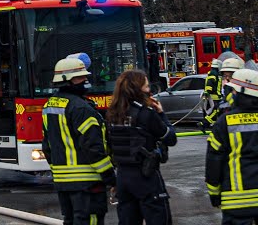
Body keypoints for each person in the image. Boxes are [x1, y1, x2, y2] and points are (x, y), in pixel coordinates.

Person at [43, 56, 116, 225]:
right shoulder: (81, 108)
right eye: (81, 77)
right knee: (90, 220)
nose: (85, 80)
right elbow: (93, 148)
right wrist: (110, 178)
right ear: (68, 80)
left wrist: (58, 172)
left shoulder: (49, 106)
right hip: (88, 182)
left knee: (70, 221)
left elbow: (47, 146)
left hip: (62, 183)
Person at [106, 69, 175, 225]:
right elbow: (170, 138)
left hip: (123, 177)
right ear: (137, 89)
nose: (149, 90)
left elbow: (110, 145)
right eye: (146, 86)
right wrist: (161, 114)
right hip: (146, 176)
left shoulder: (112, 114)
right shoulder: (146, 114)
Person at [207, 68, 258, 223]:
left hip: (237, 201)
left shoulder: (224, 122)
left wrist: (214, 193)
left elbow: (214, 161)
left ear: (239, 93)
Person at [205, 57, 246, 131]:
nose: (228, 79)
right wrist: (206, 121)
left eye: (230, 76)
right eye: (225, 76)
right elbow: (220, 108)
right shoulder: (229, 90)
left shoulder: (247, 91)